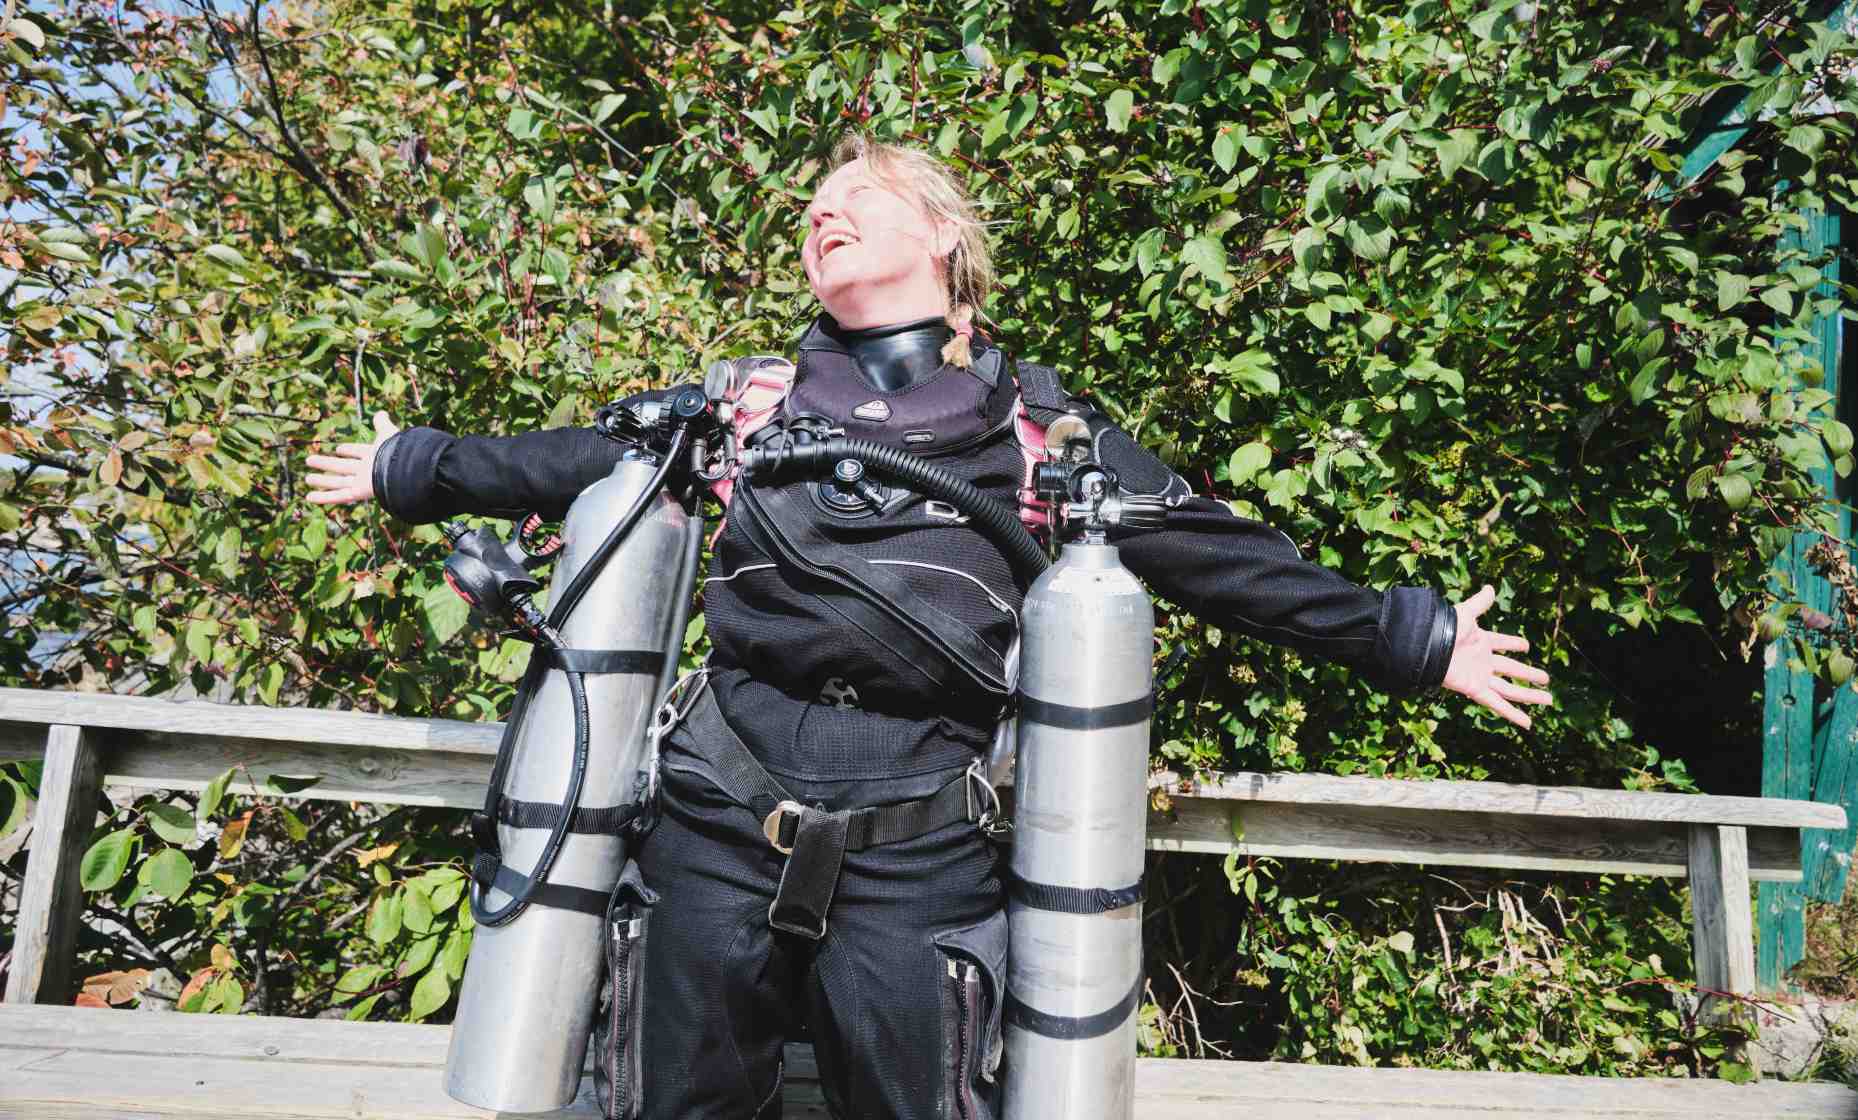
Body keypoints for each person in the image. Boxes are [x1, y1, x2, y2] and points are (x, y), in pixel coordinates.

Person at [306, 134, 1552, 1119]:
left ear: (946, 239)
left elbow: (1221, 559)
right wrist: (415, 467)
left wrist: (1415, 640)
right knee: (664, 1097)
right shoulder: (743, 411)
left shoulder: (1037, 441)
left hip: (921, 845)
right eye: (811, 209)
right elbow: (566, 462)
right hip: (715, 813)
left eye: (858, 195)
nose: (821, 214)